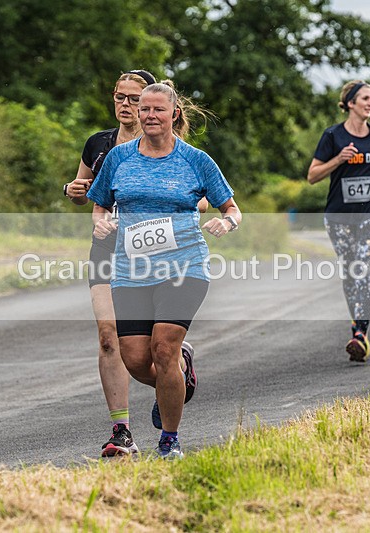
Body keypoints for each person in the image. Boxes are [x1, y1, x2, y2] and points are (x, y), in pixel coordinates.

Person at [87, 80, 240, 459]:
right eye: (144, 109)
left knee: (163, 348)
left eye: (158, 109)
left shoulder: (196, 160)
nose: (150, 115)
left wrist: (227, 223)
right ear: (138, 115)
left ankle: (170, 440)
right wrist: (101, 223)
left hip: (184, 266)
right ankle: (174, 381)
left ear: (174, 114)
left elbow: (232, 208)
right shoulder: (119, 159)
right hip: (131, 270)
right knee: (136, 358)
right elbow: (100, 205)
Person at [62, 69, 156, 457]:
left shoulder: (161, 143)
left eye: (134, 99)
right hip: (106, 251)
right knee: (108, 338)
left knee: (148, 351)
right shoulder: (98, 144)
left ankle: (175, 376)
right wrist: (73, 191)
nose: (125, 105)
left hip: (152, 253)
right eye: (119, 96)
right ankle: (122, 432)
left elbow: (197, 196)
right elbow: (81, 193)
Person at [306, 80, 370, 362]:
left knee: (361, 269)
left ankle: (360, 334)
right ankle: (357, 328)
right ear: (349, 103)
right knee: (350, 273)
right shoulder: (333, 136)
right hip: (340, 216)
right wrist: (338, 159)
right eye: (365, 99)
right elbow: (312, 175)